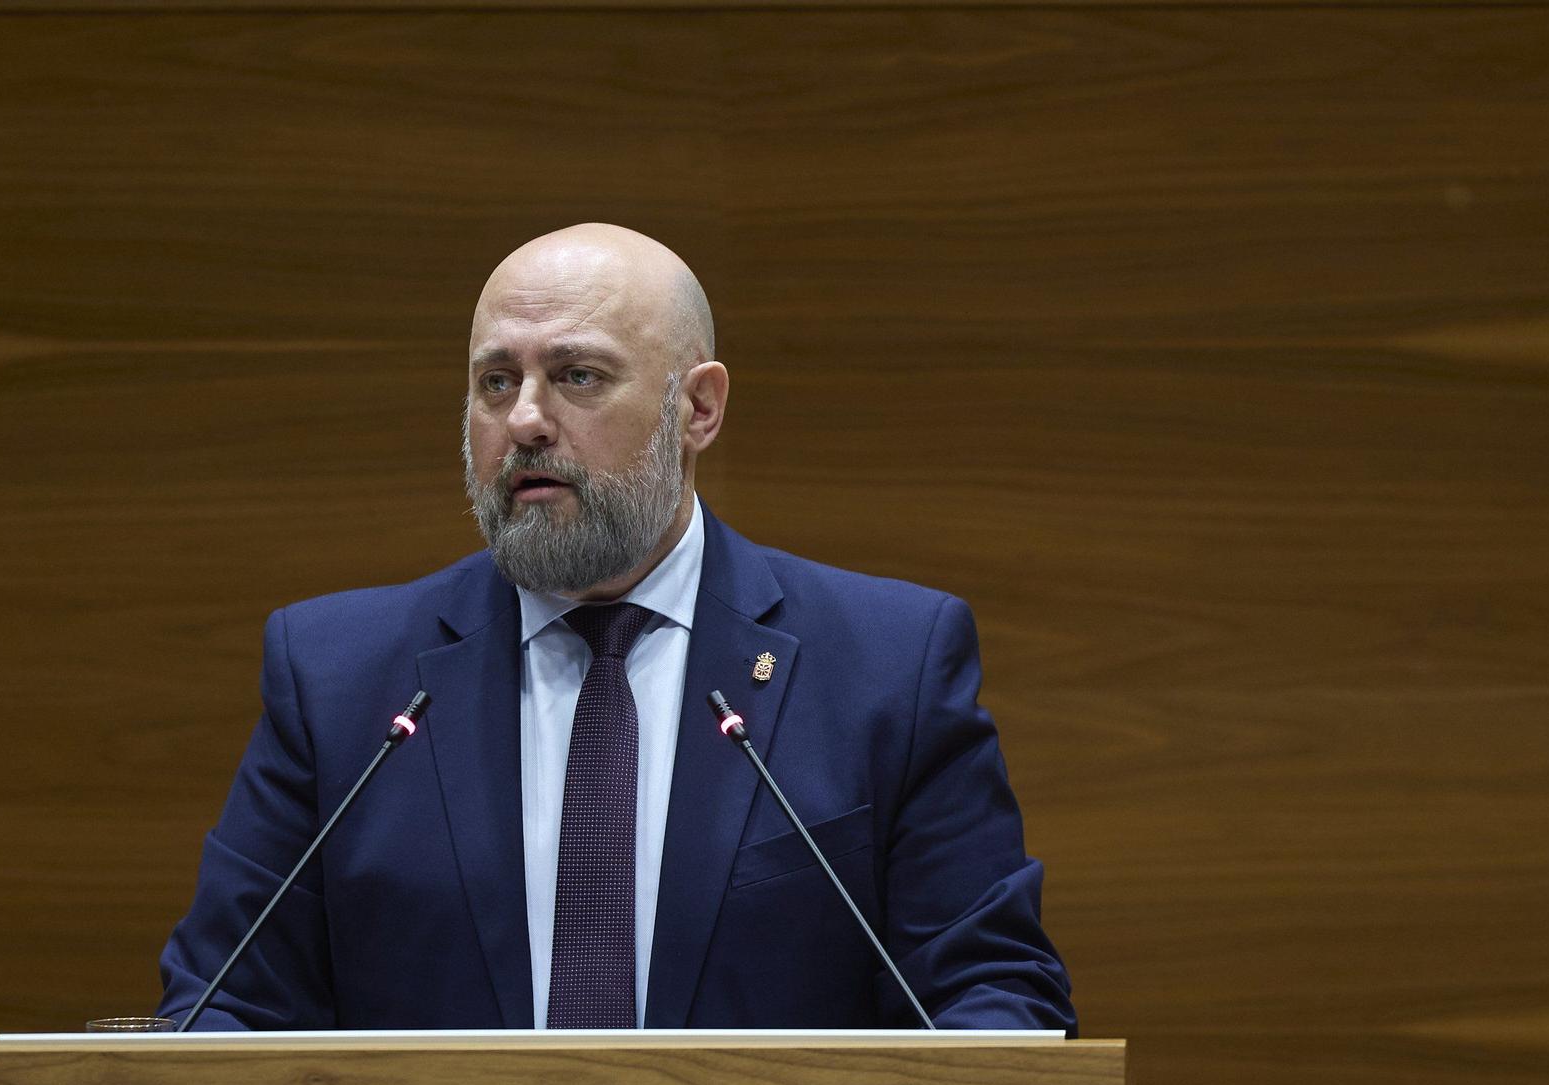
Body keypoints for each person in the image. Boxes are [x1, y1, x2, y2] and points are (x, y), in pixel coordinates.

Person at [157, 224, 1074, 1032]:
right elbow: (225, 1007)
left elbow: (988, 992)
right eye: (494, 381)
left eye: (577, 376)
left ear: (699, 407)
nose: (523, 419)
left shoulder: (886, 665)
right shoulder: (340, 678)